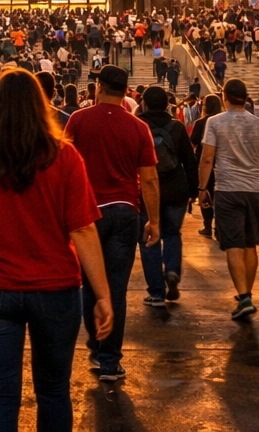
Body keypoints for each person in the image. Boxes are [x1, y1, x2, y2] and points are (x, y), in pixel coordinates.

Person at [0, 69, 113, 432]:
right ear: (42, 106)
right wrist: (102, 295)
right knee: (54, 391)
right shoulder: (66, 157)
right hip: (55, 289)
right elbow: (84, 229)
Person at [63, 65, 159, 380]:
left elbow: (63, 164)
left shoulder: (78, 120)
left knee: (89, 281)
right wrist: (153, 220)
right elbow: (149, 179)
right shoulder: (139, 127)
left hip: (87, 212)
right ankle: (110, 360)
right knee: (116, 286)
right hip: (124, 211)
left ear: (99, 88)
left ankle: (96, 341)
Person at [195, 79, 259, 320]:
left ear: (225, 96)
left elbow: (207, 158)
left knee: (233, 243)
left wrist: (202, 188)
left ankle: (244, 296)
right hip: (256, 189)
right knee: (250, 243)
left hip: (228, 189)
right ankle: (247, 293)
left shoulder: (215, 122)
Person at [137, 84, 197, 308]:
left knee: (149, 238)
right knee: (172, 234)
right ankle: (172, 269)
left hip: (146, 190)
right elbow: (189, 162)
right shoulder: (177, 127)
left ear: (144, 102)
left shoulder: (139, 124)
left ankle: (156, 291)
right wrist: (194, 190)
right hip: (176, 189)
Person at [189, 93, 222, 238]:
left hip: (204, 160)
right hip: (220, 161)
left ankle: (207, 225)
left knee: (206, 193)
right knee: (219, 195)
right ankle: (219, 227)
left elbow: (194, 139)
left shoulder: (201, 122)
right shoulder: (222, 121)